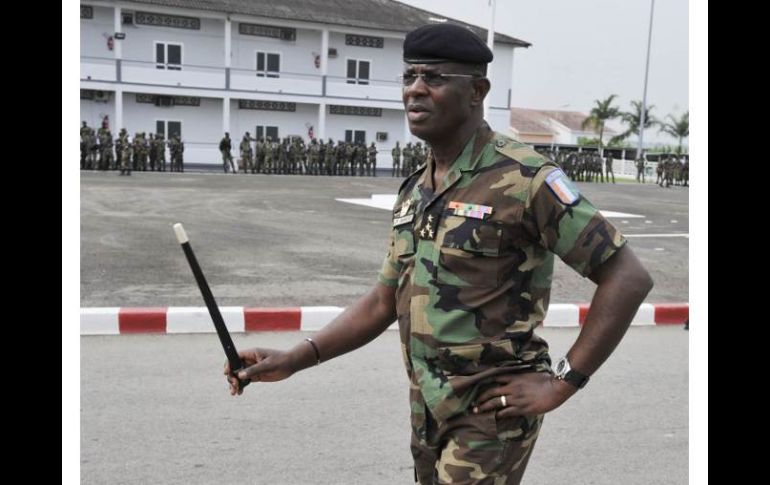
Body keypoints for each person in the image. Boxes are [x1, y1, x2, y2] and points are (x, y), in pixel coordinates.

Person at [225, 23, 653, 485]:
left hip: (492, 413)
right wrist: (294, 359)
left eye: (434, 78)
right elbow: (382, 300)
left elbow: (627, 277)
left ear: (477, 91)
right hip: (428, 405)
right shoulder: (416, 189)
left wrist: (562, 382)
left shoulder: (525, 178)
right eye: (409, 77)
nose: (415, 90)